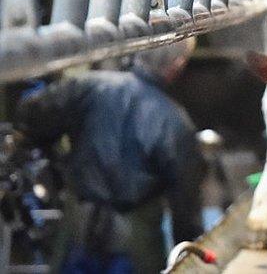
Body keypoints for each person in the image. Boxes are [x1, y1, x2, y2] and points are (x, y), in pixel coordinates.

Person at [15, 38, 204, 274]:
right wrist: (188, 260)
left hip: (77, 236)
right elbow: (185, 206)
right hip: (135, 249)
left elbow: (31, 116)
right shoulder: (174, 122)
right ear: (178, 63)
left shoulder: (88, 87)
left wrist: (52, 156)